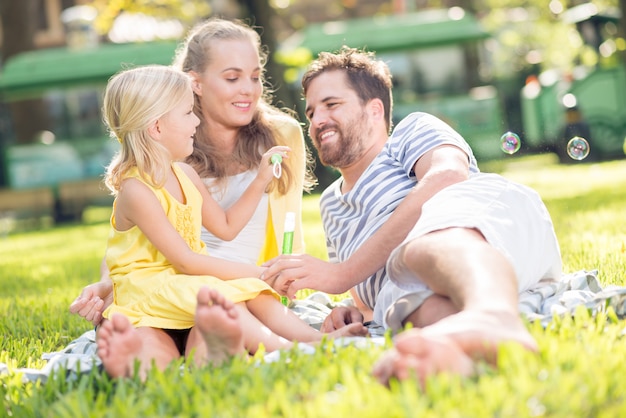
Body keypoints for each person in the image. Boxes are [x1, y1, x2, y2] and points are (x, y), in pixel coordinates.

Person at [261, 47, 562, 385]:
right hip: (413, 284)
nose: (317, 121)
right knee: (404, 308)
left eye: (331, 105)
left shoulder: (409, 132)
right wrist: (353, 311)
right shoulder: (331, 205)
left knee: (414, 251)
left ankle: (493, 315)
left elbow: (448, 175)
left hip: (485, 235)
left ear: (375, 110)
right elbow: (368, 293)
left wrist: (342, 274)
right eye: (311, 112)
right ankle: (466, 357)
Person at [96, 64, 366, 379]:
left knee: (249, 289)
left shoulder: (184, 173)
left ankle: (317, 340)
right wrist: (264, 273)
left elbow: (225, 226)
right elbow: (185, 261)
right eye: (187, 113)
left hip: (178, 282)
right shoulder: (136, 191)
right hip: (146, 290)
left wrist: (261, 178)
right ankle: (292, 349)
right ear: (156, 128)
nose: (196, 121)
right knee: (231, 293)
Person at [70, 17, 315, 326]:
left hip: (250, 286)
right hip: (180, 288)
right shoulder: (168, 143)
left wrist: (280, 277)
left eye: (255, 77)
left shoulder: (283, 135)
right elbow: (134, 234)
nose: (249, 90)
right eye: (232, 78)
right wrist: (109, 285)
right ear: (195, 83)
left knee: (223, 330)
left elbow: (289, 228)